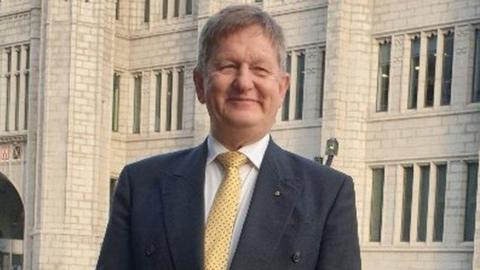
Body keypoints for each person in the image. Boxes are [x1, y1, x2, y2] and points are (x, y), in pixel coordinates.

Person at [97, 4, 361, 270]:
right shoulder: (141, 185)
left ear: (282, 88)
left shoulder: (328, 195)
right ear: (200, 84)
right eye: (228, 66)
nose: (244, 82)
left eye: (260, 69)